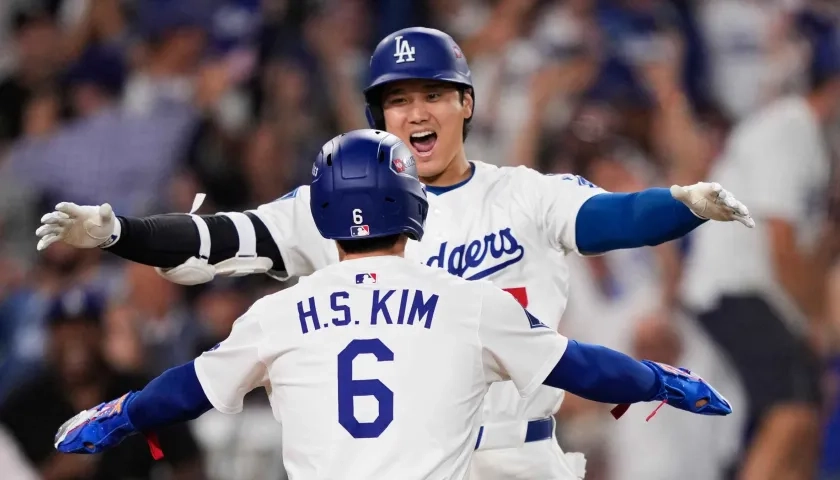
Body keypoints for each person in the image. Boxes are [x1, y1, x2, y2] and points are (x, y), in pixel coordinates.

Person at [37, 28, 752, 480]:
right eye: (397, 99)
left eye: (433, 94)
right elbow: (224, 236)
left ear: (466, 103)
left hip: (517, 455)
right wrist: (121, 234)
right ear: (377, 115)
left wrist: (679, 206)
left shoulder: (522, 195)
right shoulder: (331, 209)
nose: (416, 113)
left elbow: (616, 218)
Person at [679, 12, 840, 480]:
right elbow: (783, 249)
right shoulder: (789, 129)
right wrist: (814, 324)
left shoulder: (813, 142)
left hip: (757, 295)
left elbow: (807, 252)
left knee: (807, 411)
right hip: (731, 289)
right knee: (792, 408)